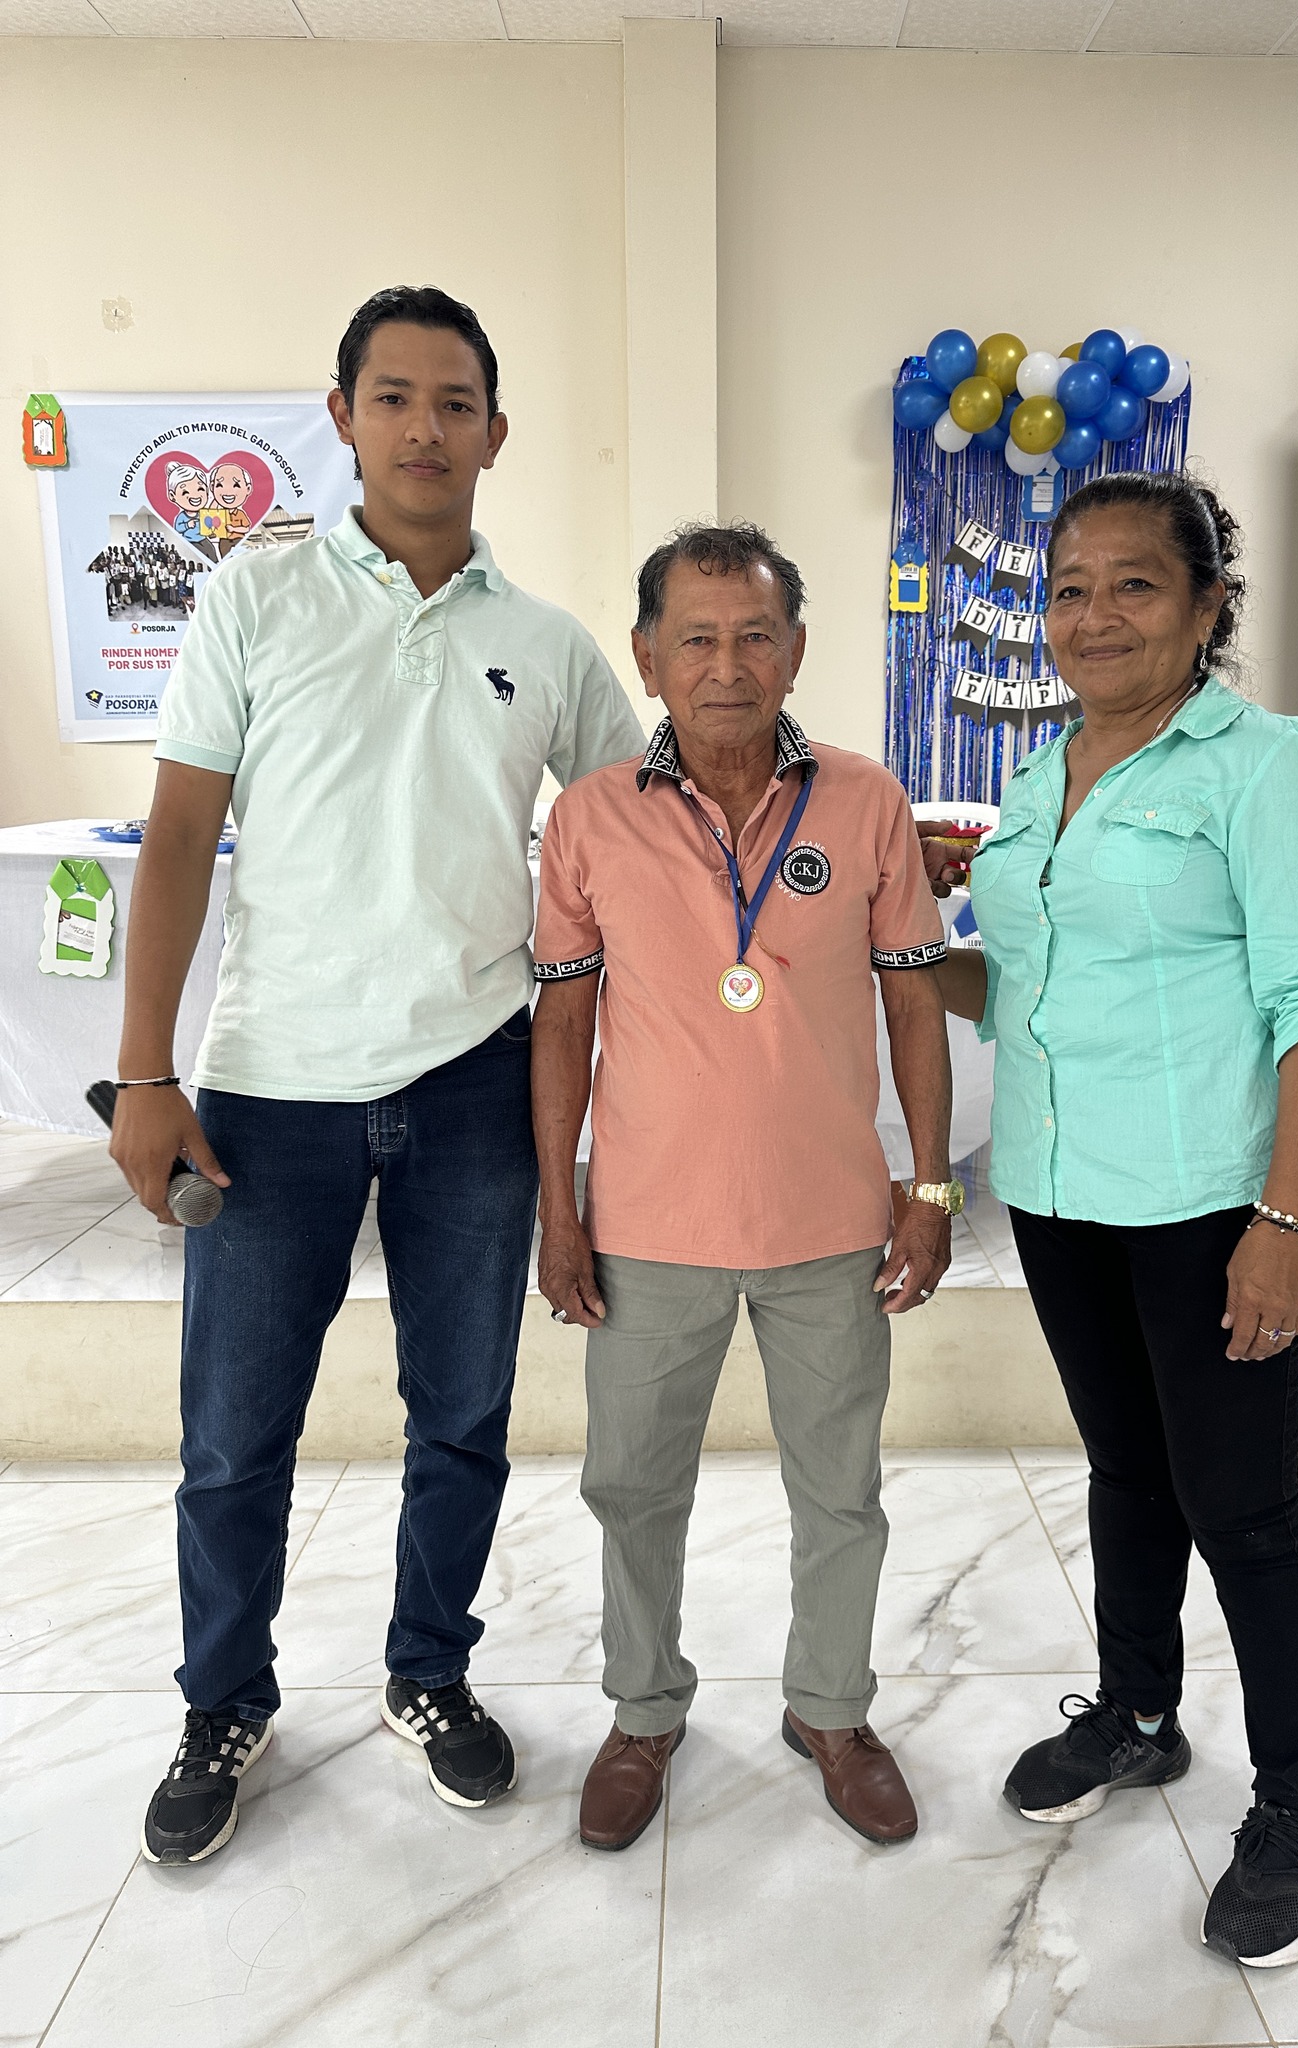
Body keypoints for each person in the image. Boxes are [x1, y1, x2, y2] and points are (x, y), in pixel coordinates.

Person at [108, 284, 644, 1866]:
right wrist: (145, 1076)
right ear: (341, 418)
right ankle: (223, 1701)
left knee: (462, 1414)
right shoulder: (254, 600)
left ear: (496, 432)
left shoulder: (544, 645)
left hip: (475, 1083)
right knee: (233, 1434)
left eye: (455, 402)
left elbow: (647, 822)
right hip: (269, 1086)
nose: (426, 427)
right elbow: (180, 836)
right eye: (394, 397)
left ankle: (429, 1672)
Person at [921, 472, 1298, 1969]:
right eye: (1069, 588)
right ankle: (1136, 1713)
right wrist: (899, 945)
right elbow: (1019, 987)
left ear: (1205, 608)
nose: (1095, 615)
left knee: (1241, 1508)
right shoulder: (1039, 777)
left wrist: (1286, 1220)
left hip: (1211, 1207)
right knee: (1127, 1472)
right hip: (1061, 1192)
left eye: (1135, 584)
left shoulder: (1268, 767)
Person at [531, 522, 959, 1853]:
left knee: (841, 1492)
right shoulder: (590, 816)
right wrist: (559, 1209)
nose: (728, 666)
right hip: (648, 1229)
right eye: (698, 639)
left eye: (756, 636)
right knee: (630, 1488)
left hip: (829, 1225)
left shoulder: (866, 802)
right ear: (648, 656)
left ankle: (832, 1711)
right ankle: (643, 1713)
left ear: (797, 650)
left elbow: (916, 1008)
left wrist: (931, 1188)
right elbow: (562, 1024)